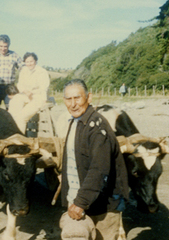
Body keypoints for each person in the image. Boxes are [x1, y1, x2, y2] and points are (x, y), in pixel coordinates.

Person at [59, 79, 129, 240]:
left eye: (77, 98)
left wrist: (80, 202)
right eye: (68, 99)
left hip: (102, 205)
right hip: (83, 200)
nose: (73, 104)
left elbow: (99, 169)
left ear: (88, 97)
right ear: (64, 100)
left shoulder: (97, 128)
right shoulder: (77, 122)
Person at [8, 52, 50, 133]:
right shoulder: (24, 70)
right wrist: (25, 91)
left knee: (21, 117)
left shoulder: (41, 72)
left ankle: (20, 139)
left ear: (35, 61)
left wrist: (44, 101)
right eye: (27, 62)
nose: (29, 64)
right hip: (26, 95)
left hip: (37, 97)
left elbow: (44, 88)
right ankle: (11, 132)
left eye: (31, 61)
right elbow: (20, 84)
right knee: (15, 101)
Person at [0, 34, 23, 106]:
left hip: (9, 87)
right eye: (1, 46)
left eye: (5, 46)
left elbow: (23, 68)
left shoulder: (14, 55)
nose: (3, 48)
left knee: (11, 110)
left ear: (8, 45)